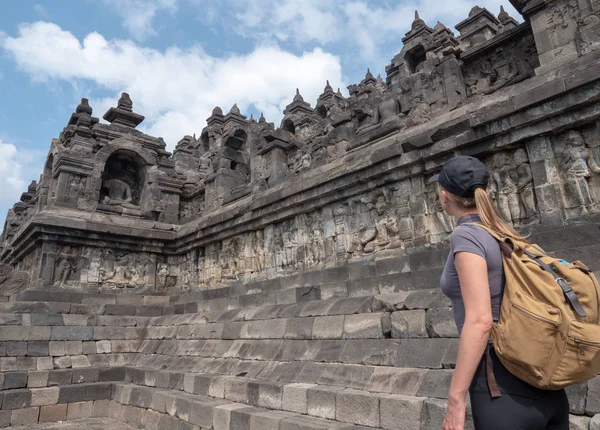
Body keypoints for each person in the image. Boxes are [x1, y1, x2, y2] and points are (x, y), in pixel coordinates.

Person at [429, 156, 569, 430]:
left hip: (501, 383)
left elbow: (481, 321)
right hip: (543, 380)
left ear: (445, 197)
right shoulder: (503, 231)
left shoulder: (466, 236)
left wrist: (455, 399)